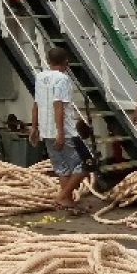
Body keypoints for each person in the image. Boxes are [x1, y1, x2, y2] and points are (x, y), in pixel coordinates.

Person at [28, 46, 87, 214]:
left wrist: (34, 127)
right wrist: (60, 133)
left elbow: (36, 104)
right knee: (84, 165)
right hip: (65, 131)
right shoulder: (62, 79)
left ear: (48, 61)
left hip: (46, 131)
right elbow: (58, 105)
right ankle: (63, 196)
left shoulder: (40, 77)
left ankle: (66, 201)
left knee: (62, 167)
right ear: (66, 63)